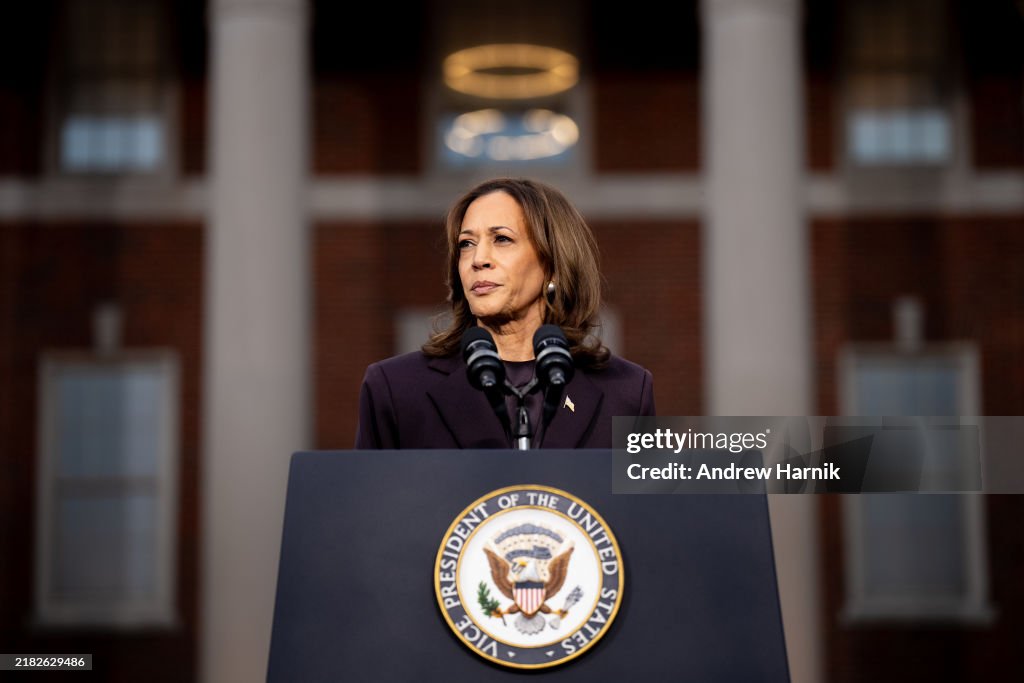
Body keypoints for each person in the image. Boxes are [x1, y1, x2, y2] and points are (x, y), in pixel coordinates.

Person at [355, 177, 655, 449]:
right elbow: (369, 505)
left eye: (502, 239)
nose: (478, 259)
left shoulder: (627, 391)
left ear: (552, 264)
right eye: (466, 244)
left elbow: (649, 508)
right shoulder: (395, 388)